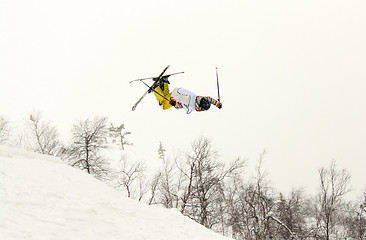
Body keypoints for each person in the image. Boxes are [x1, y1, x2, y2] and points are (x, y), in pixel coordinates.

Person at [152, 78, 222, 114]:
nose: (201, 110)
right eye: (202, 109)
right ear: (200, 106)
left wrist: (218, 104)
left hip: (178, 91)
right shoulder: (191, 104)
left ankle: (164, 82)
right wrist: (174, 102)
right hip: (176, 95)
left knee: (167, 96)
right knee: (163, 105)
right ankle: (156, 88)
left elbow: (210, 99)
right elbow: (181, 98)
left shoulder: (200, 98)